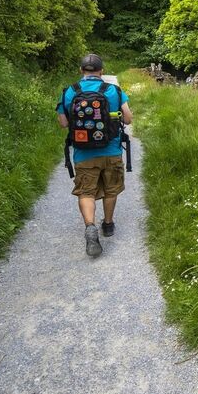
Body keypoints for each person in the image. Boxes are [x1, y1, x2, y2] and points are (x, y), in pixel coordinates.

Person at [56, 53, 132, 257]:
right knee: (111, 189)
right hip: (112, 150)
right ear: (102, 71)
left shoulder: (70, 92)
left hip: (83, 153)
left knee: (86, 192)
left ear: (81, 71)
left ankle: (90, 227)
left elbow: (63, 123)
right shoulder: (114, 91)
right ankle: (108, 224)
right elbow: (128, 118)